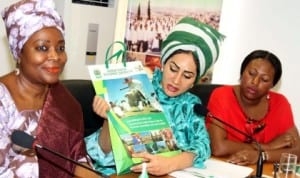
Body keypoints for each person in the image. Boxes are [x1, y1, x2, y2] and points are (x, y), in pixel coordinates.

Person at [85, 16, 224, 176]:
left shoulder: (191, 104)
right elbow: (100, 154)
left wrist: (171, 163)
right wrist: (108, 120)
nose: (176, 80)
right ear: (163, 63)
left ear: (195, 81)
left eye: (187, 76)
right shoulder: (138, 88)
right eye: (173, 69)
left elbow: (203, 145)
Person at [0, 0, 100, 177]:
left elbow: (76, 159)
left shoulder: (64, 100)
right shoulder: (3, 100)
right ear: (19, 53)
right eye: (42, 48)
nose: (55, 56)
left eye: (60, 48)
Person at [206, 49, 300, 166]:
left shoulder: (280, 103)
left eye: (264, 79)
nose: (255, 82)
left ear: (272, 85)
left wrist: (262, 155)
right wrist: (268, 146)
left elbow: (297, 151)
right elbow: (219, 147)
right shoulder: (222, 95)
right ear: (242, 72)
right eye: (251, 73)